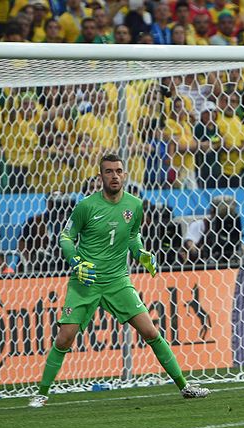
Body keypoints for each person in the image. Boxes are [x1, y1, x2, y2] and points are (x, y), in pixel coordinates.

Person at [28, 154, 209, 407]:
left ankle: (185, 386)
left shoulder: (134, 205)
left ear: (124, 174)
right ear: (100, 176)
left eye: (119, 171)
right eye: (109, 171)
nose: (114, 175)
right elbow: (66, 238)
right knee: (64, 338)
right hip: (86, 282)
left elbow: (132, 237)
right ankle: (42, 393)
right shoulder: (86, 206)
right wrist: (76, 263)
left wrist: (142, 254)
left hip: (117, 281)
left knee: (151, 331)